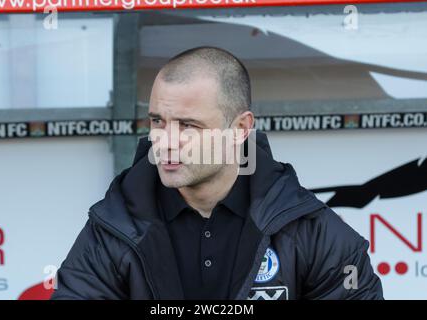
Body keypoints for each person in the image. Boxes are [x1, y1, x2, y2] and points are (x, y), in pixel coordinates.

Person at [51, 47, 383, 300]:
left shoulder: (311, 231)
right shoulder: (112, 228)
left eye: (188, 125)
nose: (164, 142)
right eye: (157, 121)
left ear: (240, 128)